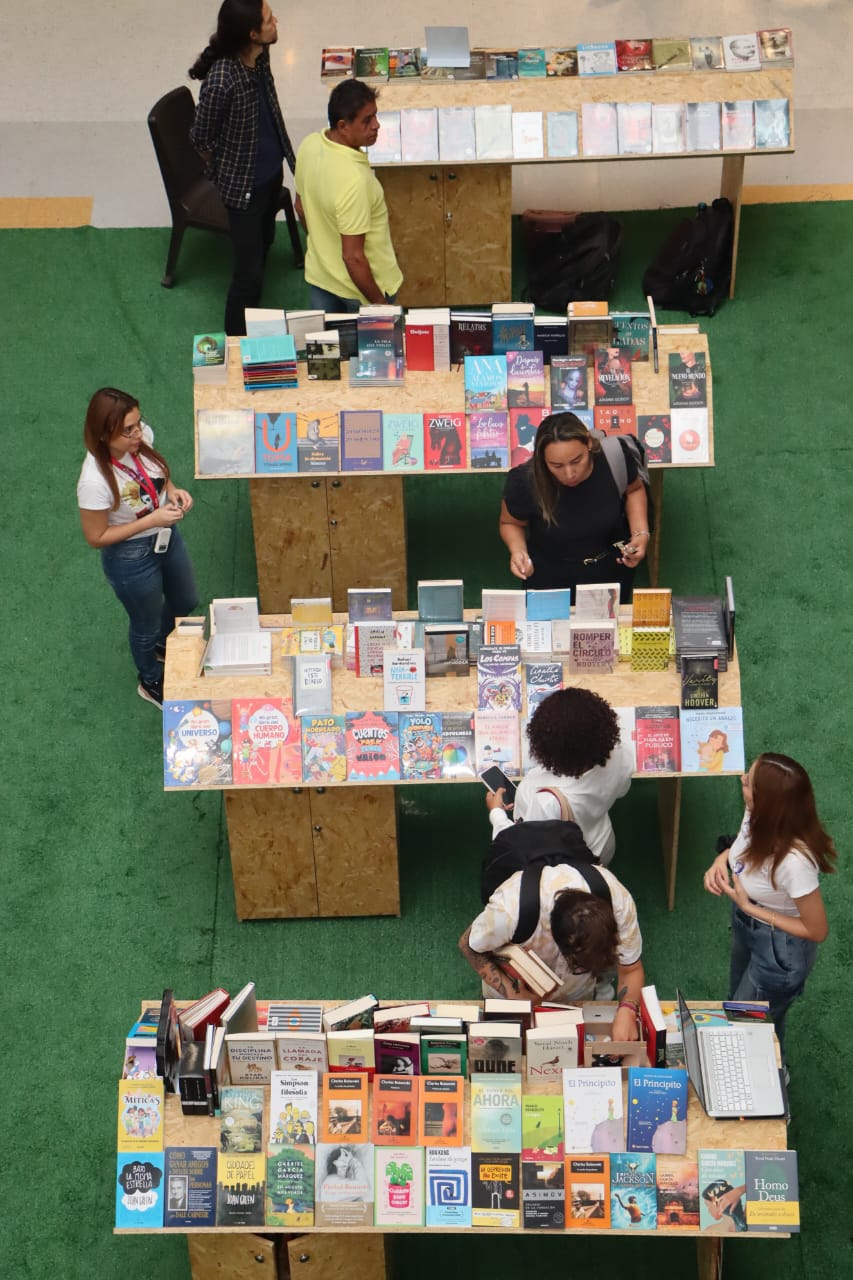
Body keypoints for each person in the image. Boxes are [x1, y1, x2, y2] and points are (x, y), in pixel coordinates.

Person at [702, 752, 837, 1064]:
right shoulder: (757, 816)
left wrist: (750, 908)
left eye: (748, 783)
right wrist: (720, 860)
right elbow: (740, 849)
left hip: (779, 949)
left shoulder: (795, 862)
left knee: (751, 1026)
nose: (741, 781)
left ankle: (774, 1080)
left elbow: (817, 930)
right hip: (748, 925)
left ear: (767, 804)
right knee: (741, 1006)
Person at [77, 388, 198, 707]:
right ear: (104, 435)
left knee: (187, 598)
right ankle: (150, 679)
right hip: (130, 558)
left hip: (165, 535)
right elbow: (96, 537)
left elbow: (156, 476)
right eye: (128, 430)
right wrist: (151, 520)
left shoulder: (141, 440)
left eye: (138, 423)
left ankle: (162, 644)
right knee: (144, 624)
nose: (138, 434)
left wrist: (173, 491)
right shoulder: (94, 481)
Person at [459, 848, 645, 1042]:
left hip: (575, 998)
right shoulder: (510, 911)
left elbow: (631, 970)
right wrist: (512, 993)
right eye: (579, 964)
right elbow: (468, 944)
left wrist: (628, 1011)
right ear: (557, 939)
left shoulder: (619, 904)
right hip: (509, 995)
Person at [189, 1, 295, 335]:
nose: (275, 21)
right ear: (252, 33)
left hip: (270, 174)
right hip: (244, 191)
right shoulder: (222, 80)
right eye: (268, 19)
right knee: (246, 278)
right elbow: (200, 138)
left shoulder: (260, 55)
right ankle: (237, 345)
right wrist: (225, 173)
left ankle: (256, 307)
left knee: (263, 244)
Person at [499, 412, 649, 599]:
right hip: (549, 579)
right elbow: (510, 522)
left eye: (577, 461)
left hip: (610, 572)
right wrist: (518, 550)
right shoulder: (525, 480)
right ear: (542, 459)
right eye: (556, 466)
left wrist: (641, 533)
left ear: (588, 443)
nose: (570, 474)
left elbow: (634, 490)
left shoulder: (614, 458)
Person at [488, 688, 632, 866]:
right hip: (601, 845)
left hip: (566, 865)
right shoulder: (618, 753)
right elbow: (622, 790)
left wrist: (497, 814)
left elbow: (525, 847)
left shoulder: (545, 800)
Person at [294, 79, 403, 311]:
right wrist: (380, 305)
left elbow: (301, 208)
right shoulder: (355, 180)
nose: (377, 125)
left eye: (375, 116)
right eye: (367, 120)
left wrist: (325, 247)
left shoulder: (309, 145)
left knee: (328, 346)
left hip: (321, 278)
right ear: (343, 126)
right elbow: (353, 258)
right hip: (360, 293)